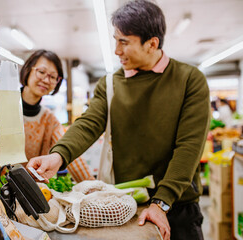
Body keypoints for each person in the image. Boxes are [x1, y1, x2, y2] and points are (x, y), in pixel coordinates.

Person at [27, 1, 210, 240]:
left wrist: (162, 202)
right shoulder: (111, 85)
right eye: (115, 40)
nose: (116, 50)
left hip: (177, 205)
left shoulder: (189, 80)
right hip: (127, 204)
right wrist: (58, 155)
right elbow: (88, 123)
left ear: (152, 43)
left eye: (124, 42)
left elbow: (189, 146)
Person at [0, 49, 94, 199]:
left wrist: (94, 188)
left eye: (52, 77)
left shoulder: (49, 120)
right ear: (28, 70)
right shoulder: (2, 107)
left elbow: (69, 152)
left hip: (23, 194)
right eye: (41, 72)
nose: (46, 79)